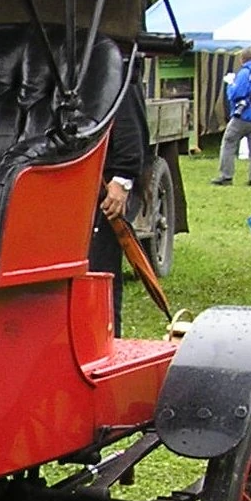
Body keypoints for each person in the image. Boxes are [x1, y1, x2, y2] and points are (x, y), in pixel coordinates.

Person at [88, 73, 149, 332]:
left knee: (99, 275)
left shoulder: (115, 71)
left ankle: (108, 341)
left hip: (103, 188)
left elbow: (128, 123)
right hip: (77, 188)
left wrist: (122, 178)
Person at [211, 47, 251, 186]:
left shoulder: (245, 73)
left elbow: (236, 94)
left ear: (242, 59)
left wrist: (230, 84)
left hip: (244, 115)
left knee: (229, 142)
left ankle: (226, 176)